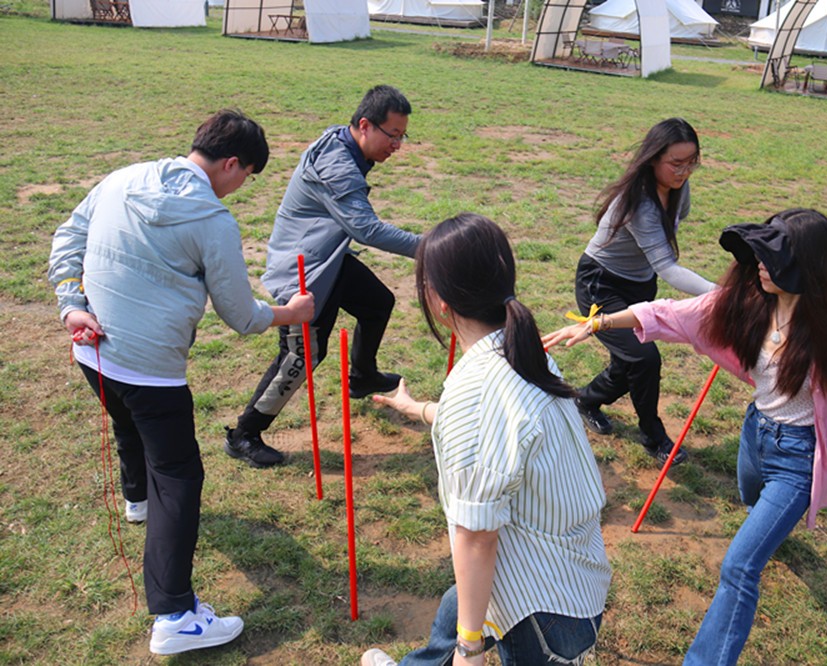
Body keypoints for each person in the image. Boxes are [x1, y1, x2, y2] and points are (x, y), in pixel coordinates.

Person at [544, 208, 827, 665]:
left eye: (773, 258)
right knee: (750, 498)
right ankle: (765, 522)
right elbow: (668, 313)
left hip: (797, 456)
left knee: (739, 567)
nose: (761, 265)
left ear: (804, 267)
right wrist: (597, 323)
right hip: (756, 434)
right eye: (760, 255)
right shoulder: (749, 303)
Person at [47, 110, 315, 655]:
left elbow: (67, 235)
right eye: (247, 177)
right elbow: (240, 314)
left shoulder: (122, 177)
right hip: (150, 370)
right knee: (179, 476)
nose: (240, 188)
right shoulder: (213, 221)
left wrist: (71, 306)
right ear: (232, 163)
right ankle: (175, 616)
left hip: (92, 353)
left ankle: (137, 499)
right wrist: (291, 313)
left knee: (126, 419)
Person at [361, 213, 611, 666]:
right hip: (571, 573)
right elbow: (498, 433)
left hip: (539, 607)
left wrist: (470, 646)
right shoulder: (522, 350)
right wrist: (418, 408)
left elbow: (477, 537)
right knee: (456, 605)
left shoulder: (475, 392)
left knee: (462, 612)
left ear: (438, 300)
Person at [225, 84, 421, 468]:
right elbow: (366, 229)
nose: (398, 145)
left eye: (403, 136)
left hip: (328, 254)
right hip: (305, 270)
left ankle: (362, 377)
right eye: (393, 135)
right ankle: (244, 434)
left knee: (377, 303)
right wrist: (430, 247)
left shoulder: (343, 140)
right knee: (302, 356)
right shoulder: (337, 166)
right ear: (364, 125)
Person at [572, 118, 716, 467]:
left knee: (631, 360)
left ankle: (586, 400)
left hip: (639, 282)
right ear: (653, 158)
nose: (684, 172)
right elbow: (668, 267)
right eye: (676, 164)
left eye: (691, 162)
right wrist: (719, 293)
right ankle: (653, 436)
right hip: (600, 283)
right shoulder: (639, 202)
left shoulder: (679, 188)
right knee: (644, 358)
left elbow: (669, 240)